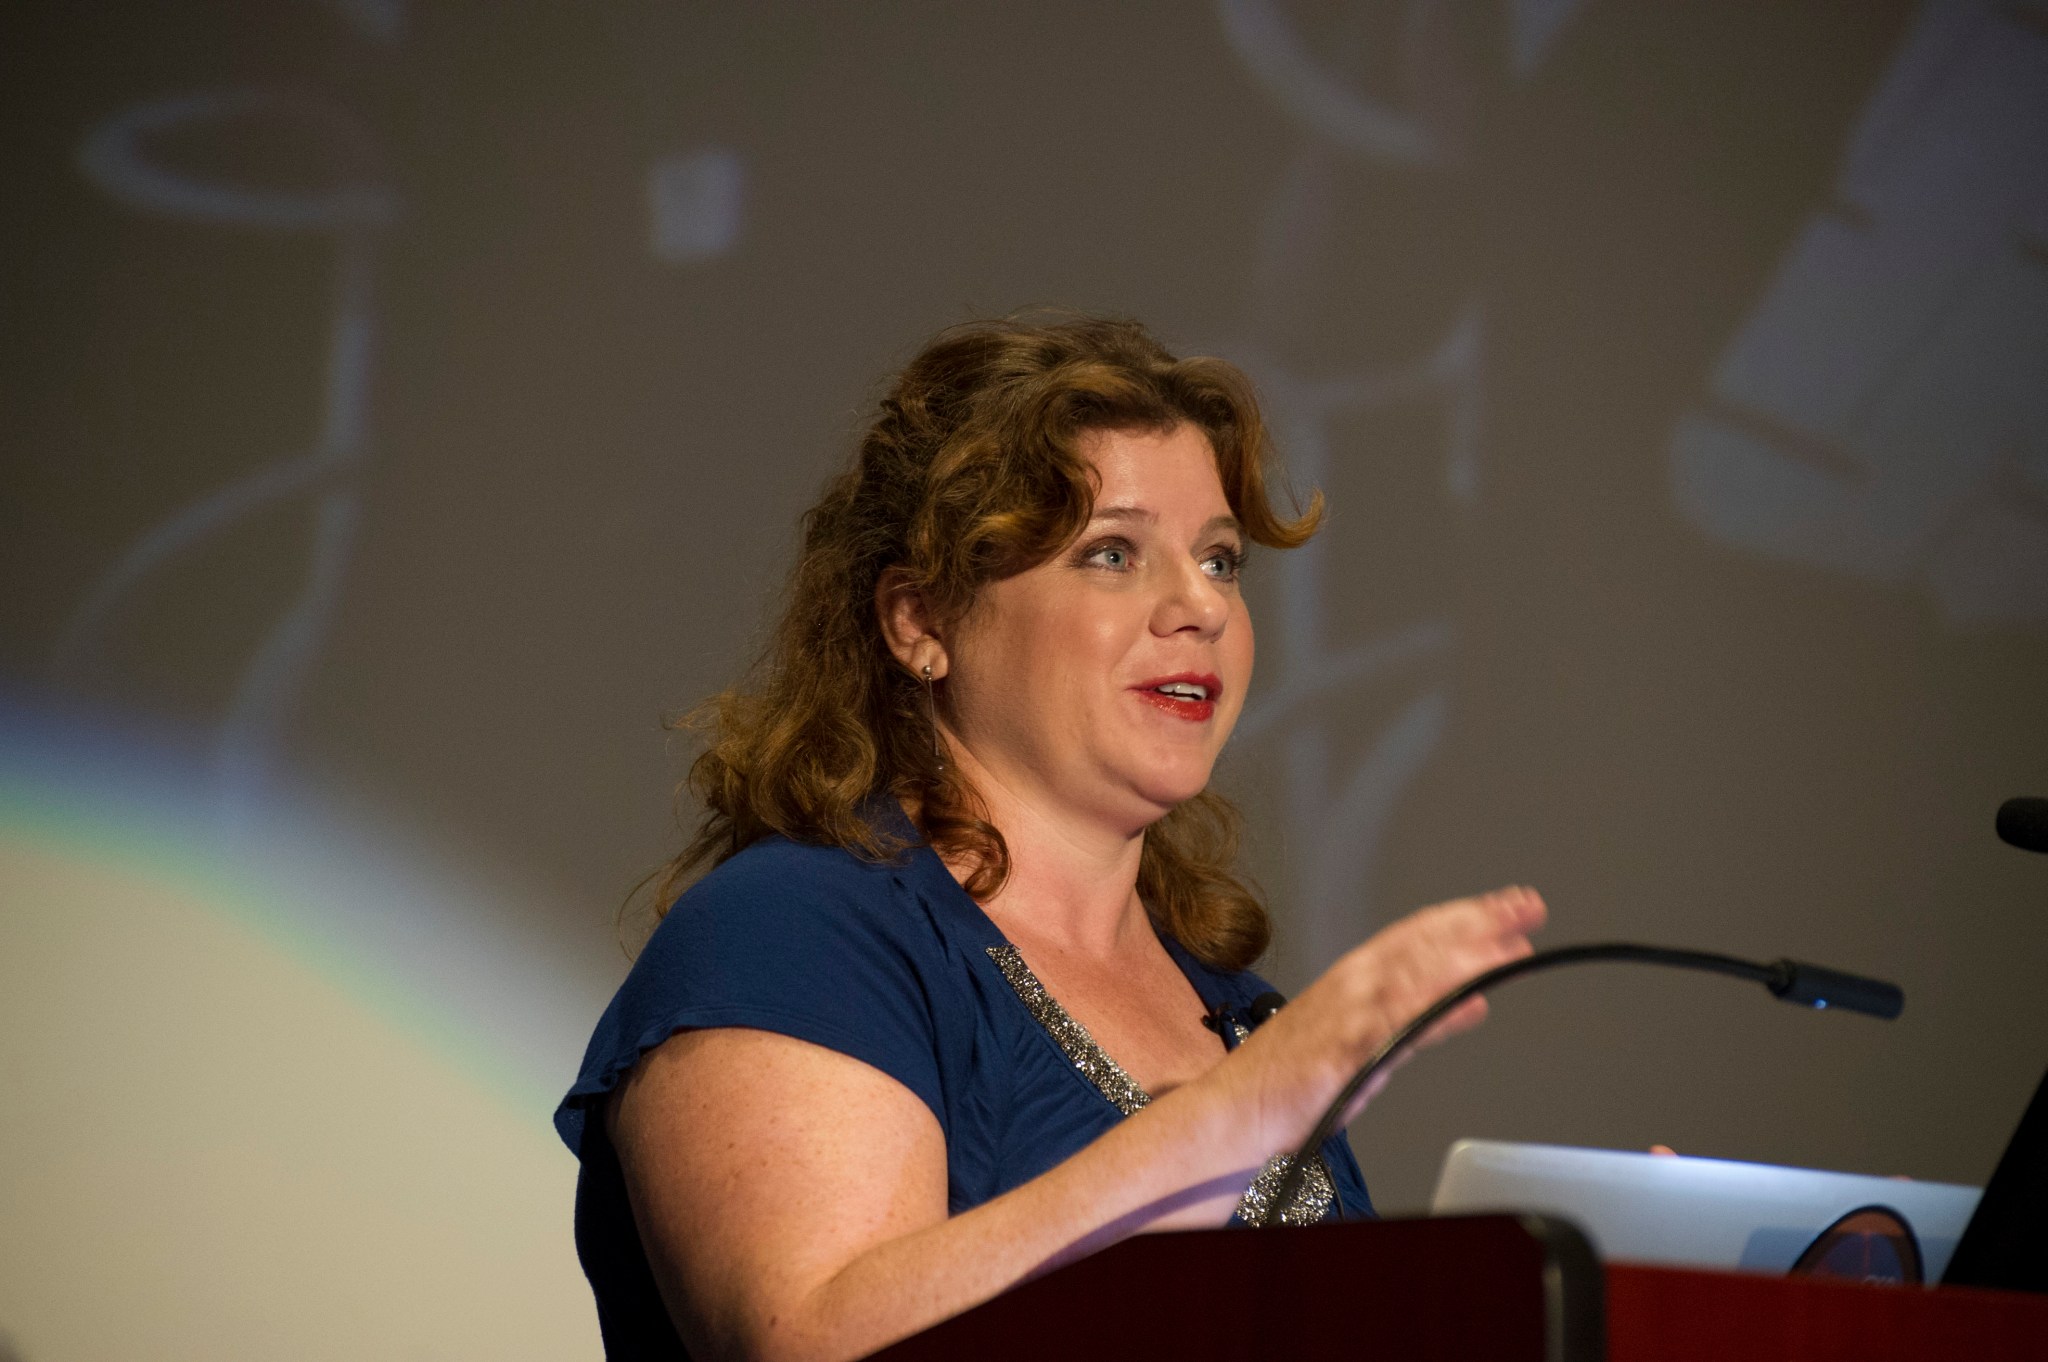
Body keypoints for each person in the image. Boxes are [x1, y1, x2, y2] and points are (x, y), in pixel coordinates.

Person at [554, 315, 1545, 1362]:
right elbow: (815, 1342)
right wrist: (1235, 1116)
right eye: (1112, 553)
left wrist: (1602, 1294)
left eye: (1218, 560)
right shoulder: (790, 933)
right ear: (920, 621)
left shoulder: (1239, 1015)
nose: (1198, 606)